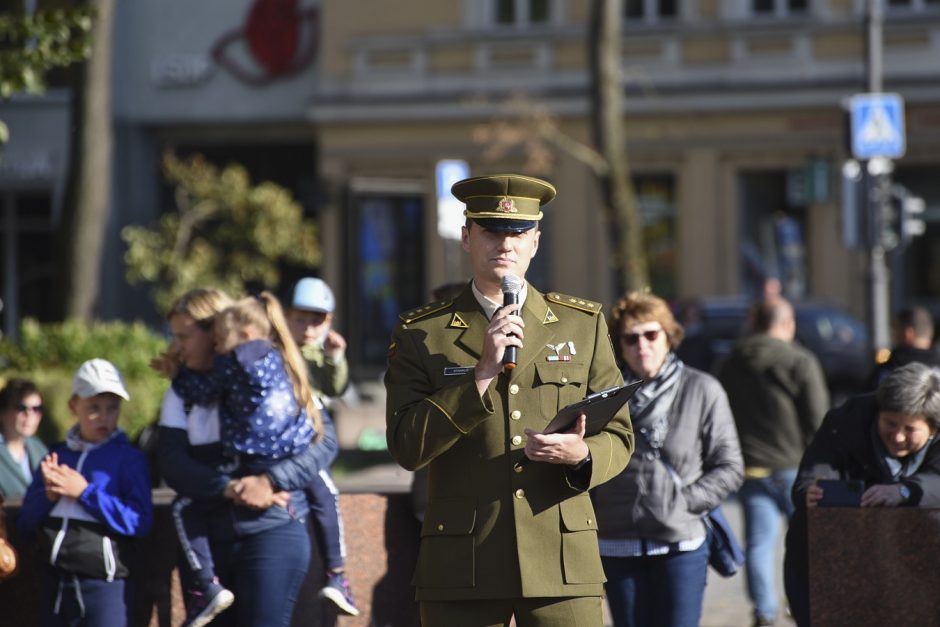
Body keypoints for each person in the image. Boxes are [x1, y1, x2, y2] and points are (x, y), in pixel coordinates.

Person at [384, 173, 635, 626]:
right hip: (464, 563)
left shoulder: (582, 324)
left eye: (518, 232)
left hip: (561, 560)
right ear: (467, 238)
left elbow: (619, 433)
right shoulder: (422, 333)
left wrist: (582, 455)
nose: (505, 243)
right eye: (491, 231)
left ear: (535, 242)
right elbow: (406, 445)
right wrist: (479, 375)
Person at [157, 288, 333, 627]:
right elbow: (172, 463)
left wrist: (269, 481)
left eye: (184, 336)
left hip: (275, 528)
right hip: (209, 538)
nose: (177, 347)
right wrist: (230, 488)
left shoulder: (278, 372)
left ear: (215, 334)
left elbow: (325, 443)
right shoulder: (183, 390)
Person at [591, 291, 744, 627]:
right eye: (630, 338)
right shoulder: (604, 396)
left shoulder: (702, 389)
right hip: (617, 546)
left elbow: (730, 467)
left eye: (651, 334)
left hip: (681, 544)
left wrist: (683, 502)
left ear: (669, 336)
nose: (641, 345)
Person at [783, 362, 940, 626]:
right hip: (840, 567)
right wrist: (814, 491)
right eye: (890, 424)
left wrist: (904, 491)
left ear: (934, 429)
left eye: (910, 429)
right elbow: (809, 478)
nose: (898, 437)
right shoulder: (845, 421)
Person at [716, 296, 830, 627]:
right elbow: (817, 418)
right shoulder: (800, 360)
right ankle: (807, 605)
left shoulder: (732, 360)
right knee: (807, 542)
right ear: (787, 323)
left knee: (759, 545)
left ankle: (765, 612)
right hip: (793, 467)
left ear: (755, 323)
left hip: (751, 467)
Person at [16, 359, 153, 627]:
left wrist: (85, 492)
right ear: (73, 406)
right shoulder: (56, 455)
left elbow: (139, 522)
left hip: (104, 587)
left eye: (112, 408)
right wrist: (49, 497)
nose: (104, 417)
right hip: (55, 584)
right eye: (93, 408)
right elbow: (24, 523)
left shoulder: (129, 459)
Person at [284, 277, 359, 616]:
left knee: (324, 493)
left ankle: (337, 573)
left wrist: (336, 357)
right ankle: (333, 574)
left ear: (328, 321)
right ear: (287, 317)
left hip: (311, 444)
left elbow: (337, 387)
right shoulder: (277, 350)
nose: (308, 327)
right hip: (281, 443)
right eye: (301, 319)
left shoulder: (319, 353)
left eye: (317, 320)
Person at [868, 306, 940, 389]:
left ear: (908, 334)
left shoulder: (889, 370)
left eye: (896, 331)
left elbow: (867, 397)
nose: (894, 337)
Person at [0, 378, 49, 498]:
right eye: (21, 408)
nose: (30, 415)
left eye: (37, 409)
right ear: (3, 411)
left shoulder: (40, 449)